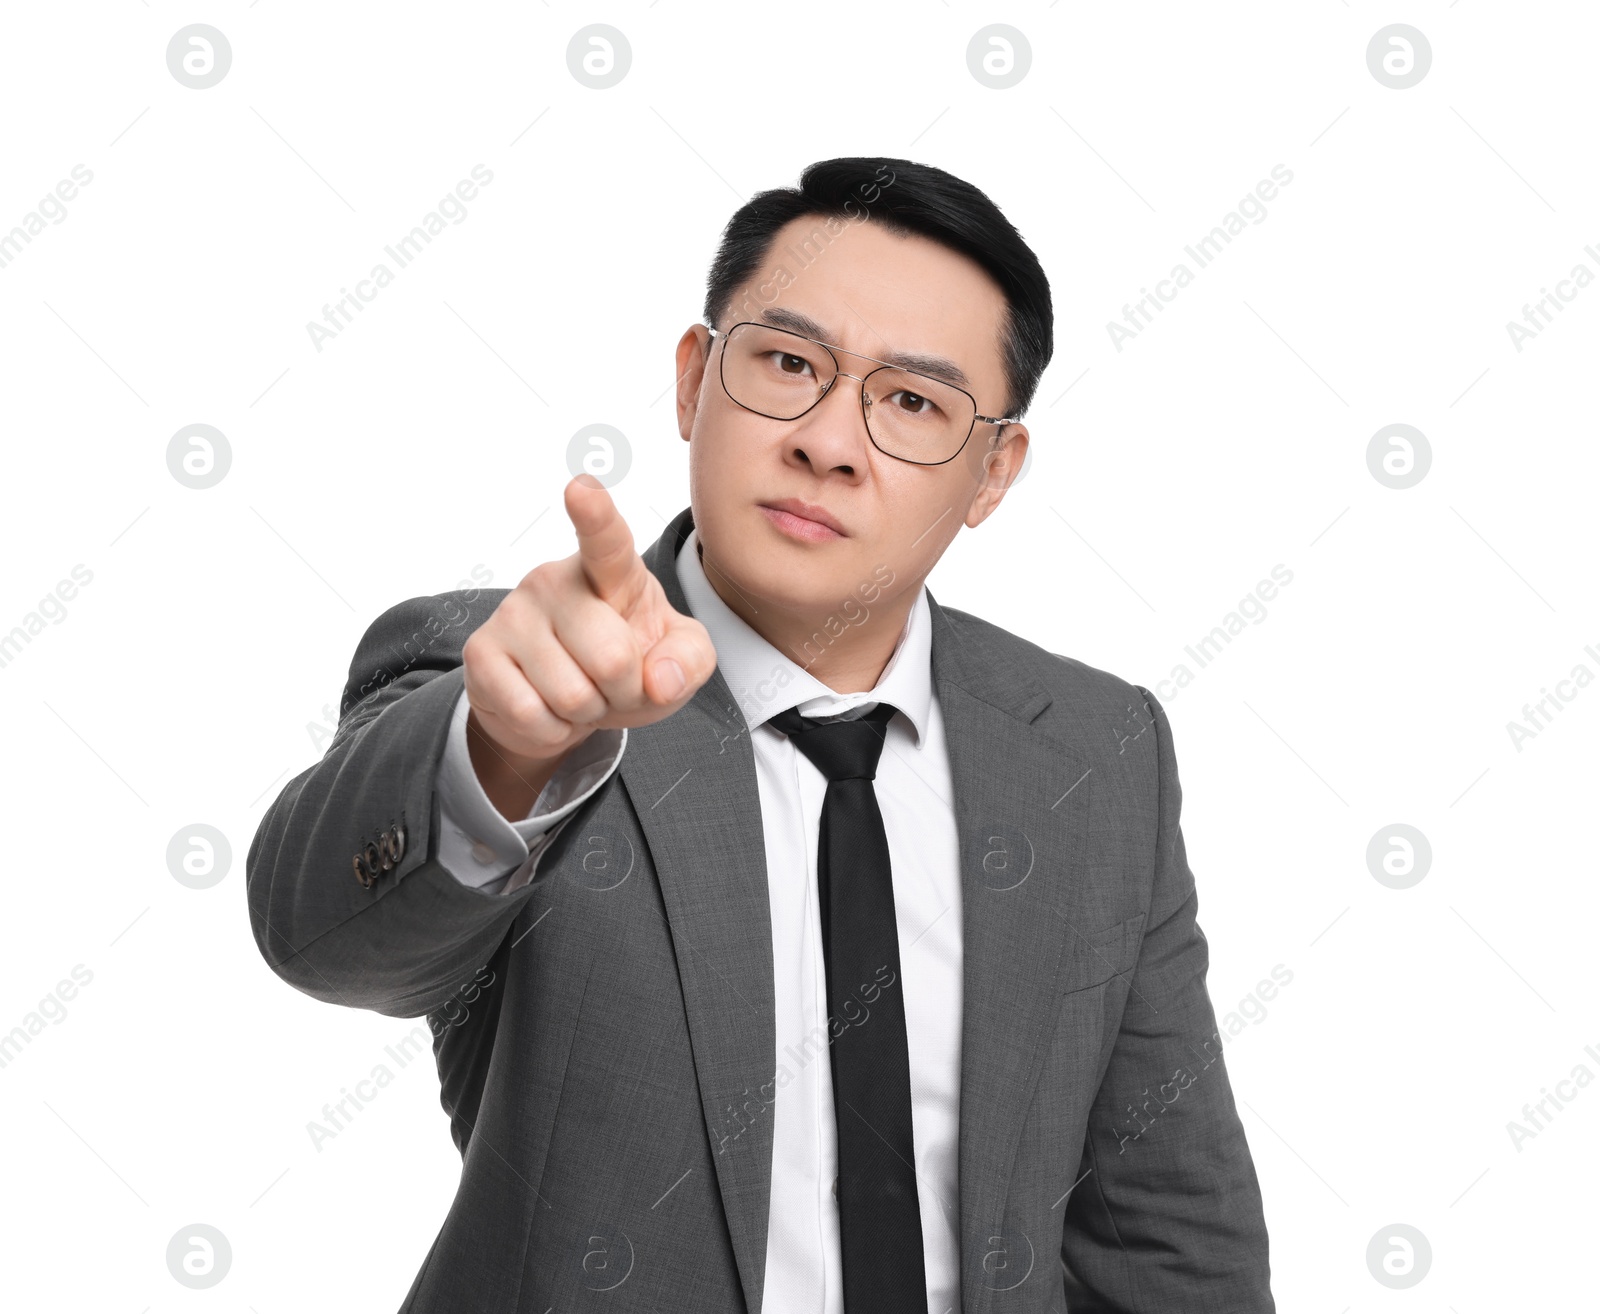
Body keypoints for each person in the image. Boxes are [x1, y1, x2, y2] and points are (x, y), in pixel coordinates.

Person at [246, 156, 1275, 1313]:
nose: (830, 441)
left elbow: (1168, 1231)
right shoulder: (523, 669)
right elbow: (323, 936)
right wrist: (507, 749)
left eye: (912, 403)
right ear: (693, 382)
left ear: (993, 474)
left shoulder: (1094, 749)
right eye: (788, 363)